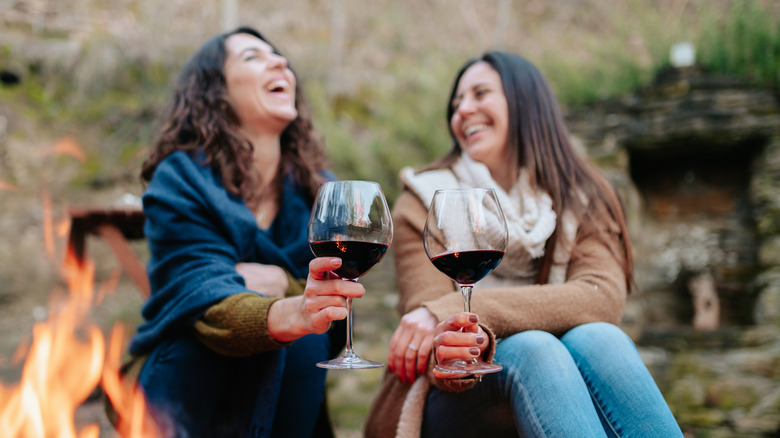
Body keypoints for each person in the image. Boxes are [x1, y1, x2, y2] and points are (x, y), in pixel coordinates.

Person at [365, 51, 684, 438]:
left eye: (480, 94)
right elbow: (434, 345)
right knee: (536, 349)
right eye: (456, 103)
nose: (464, 110)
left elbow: (599, 299)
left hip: (559, 384)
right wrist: (465, 335)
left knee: (600, 337)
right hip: (439, 400)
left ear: (526, 104)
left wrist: (457, 309)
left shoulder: (583, 195)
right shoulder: (426, 198)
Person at [109, 26, 361, 438]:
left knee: (304, 342)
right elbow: (202, 297)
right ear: (215, 92)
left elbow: (339, 314)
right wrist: (293, 306)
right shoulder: (181, 180)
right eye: (252, 57)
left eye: (278, 56)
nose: (280, 61)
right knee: (209, 340)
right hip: (187, 381)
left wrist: (283, 282)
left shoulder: (321, 193)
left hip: (290, 383)